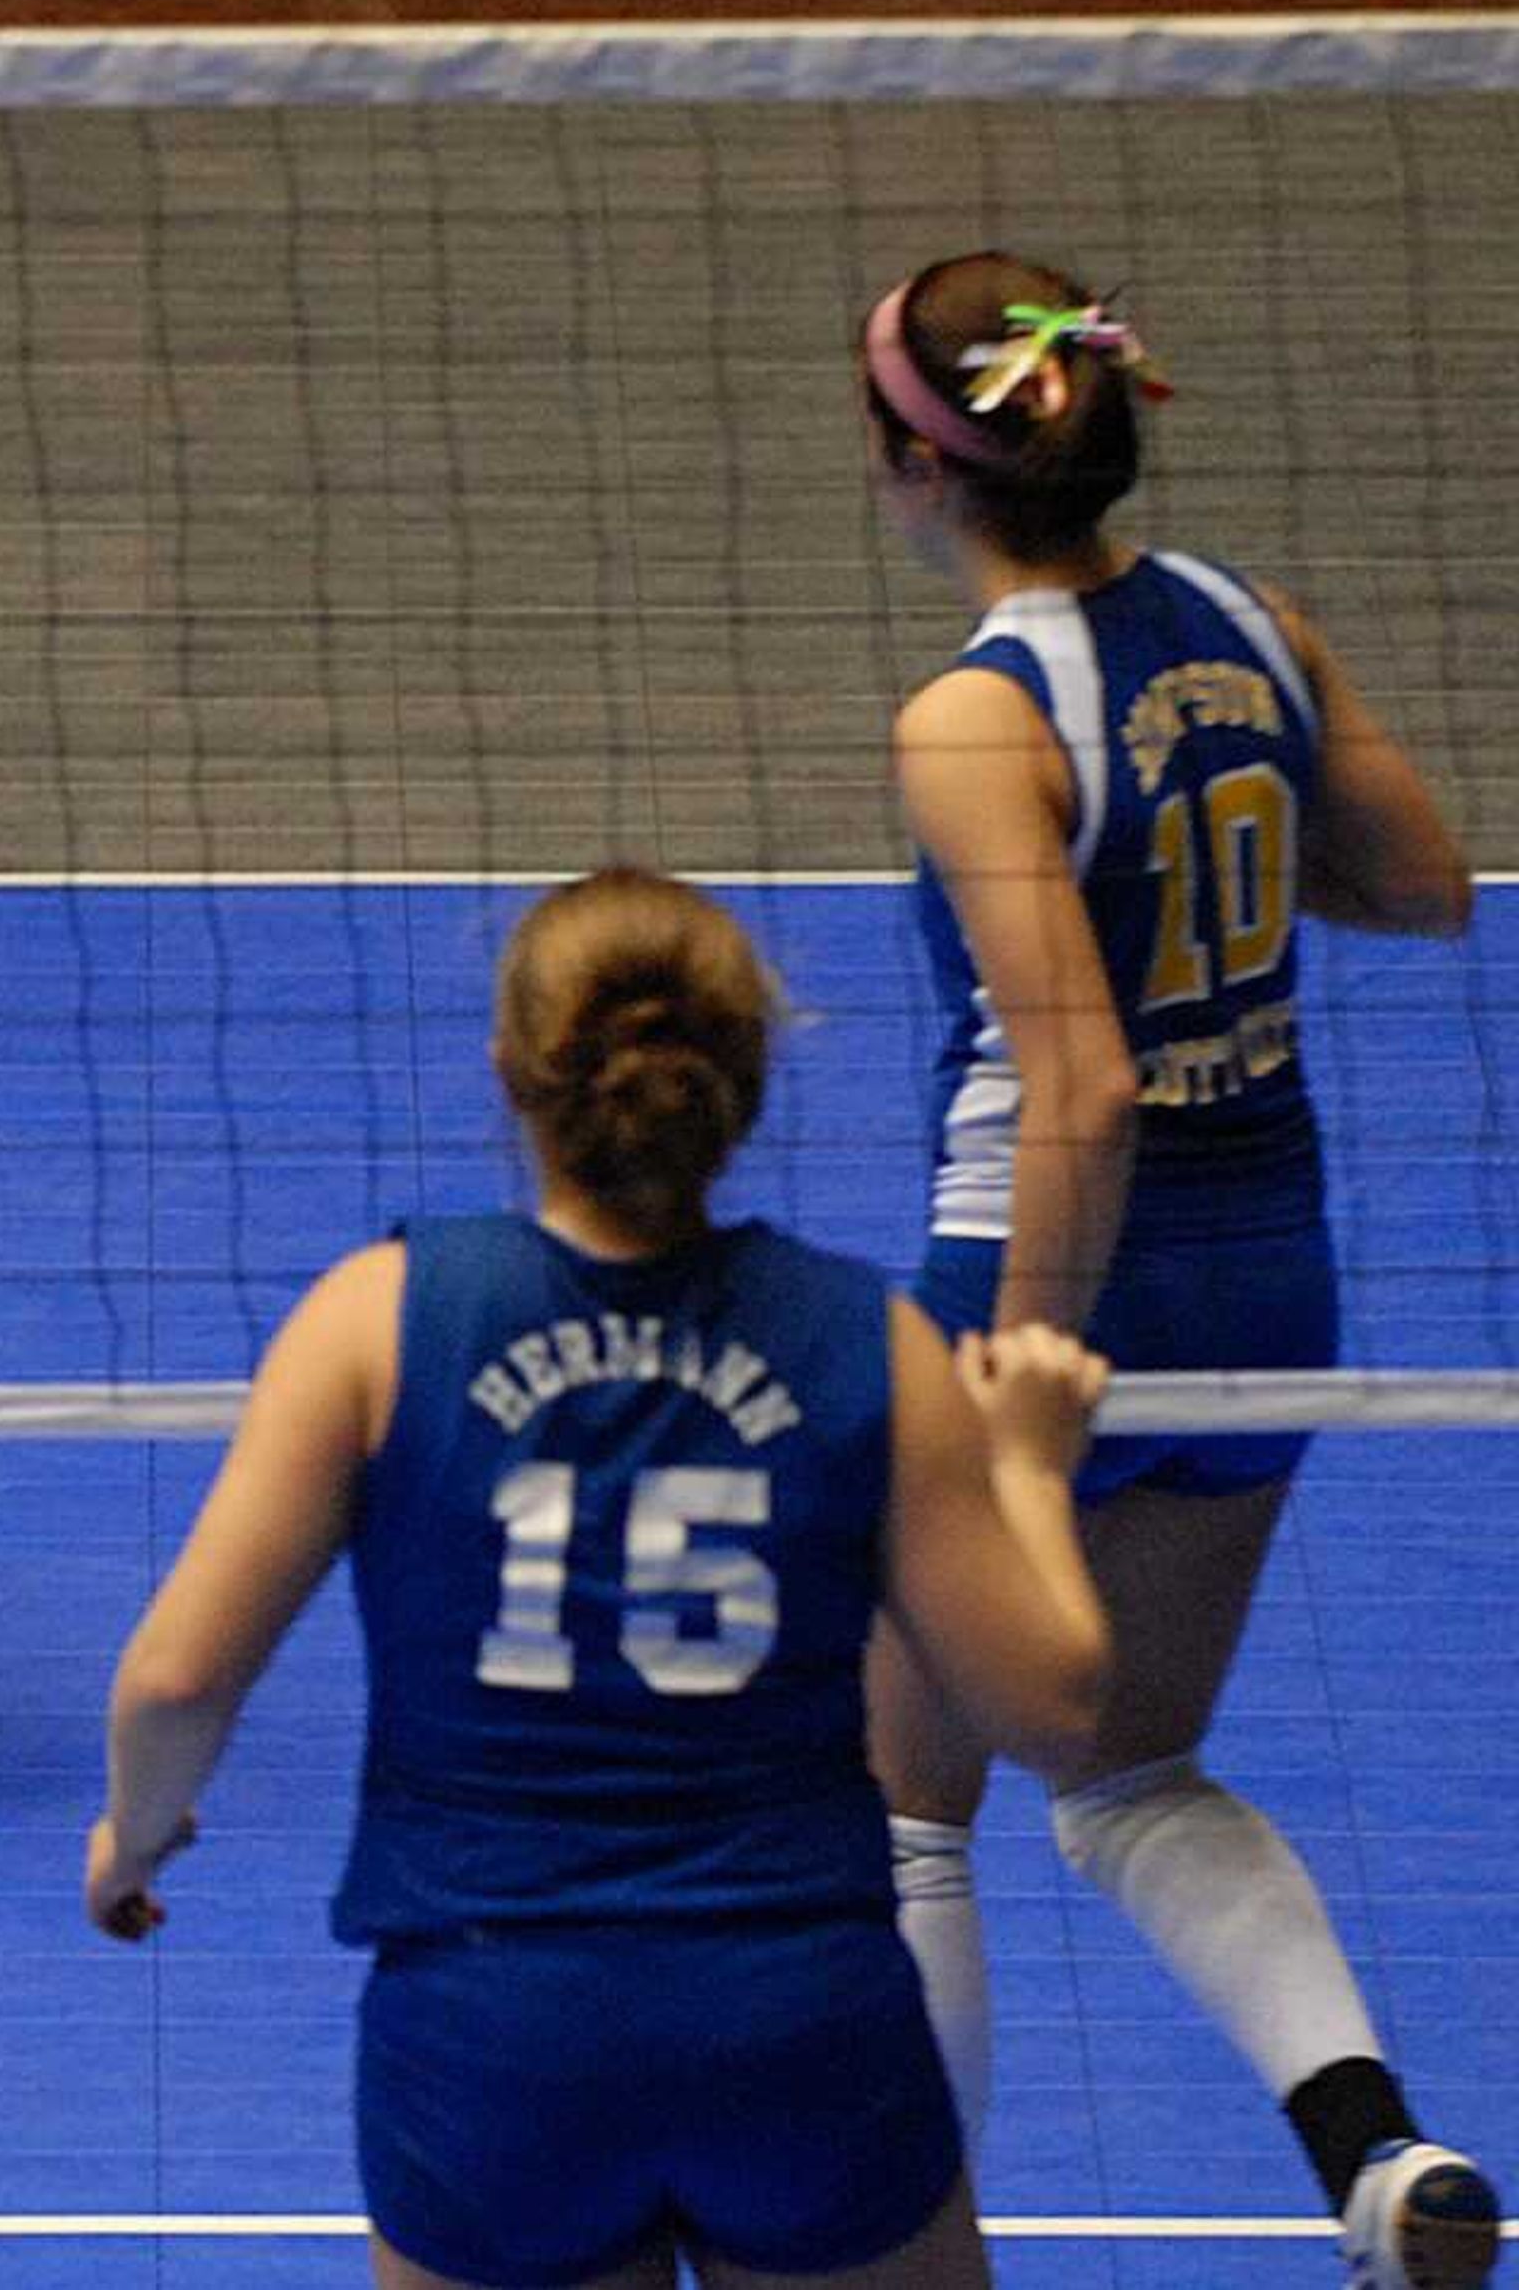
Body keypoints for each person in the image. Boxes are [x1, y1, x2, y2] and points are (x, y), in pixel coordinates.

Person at [91, 866, 1117, 2290]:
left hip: (498, 2034)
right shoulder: (867, 1342)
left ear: (515, 1073)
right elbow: (1059, 1710)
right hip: (795, 2022)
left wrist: (132, 1841)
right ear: (746, 1075)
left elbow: (178, 1677)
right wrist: (1031, 1466)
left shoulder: (378, 1321)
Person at [854, 255, 1494, 2287]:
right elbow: (1425, 883)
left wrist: (1018, 1378)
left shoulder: (975, 716)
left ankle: (894, 2246)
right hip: (1271, 1283)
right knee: (1130, 1762)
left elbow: (1085, 1090)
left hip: (1051, 1279)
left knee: (904, 1807)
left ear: (914, 469)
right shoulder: (1246, 621)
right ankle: (1377, 2155)